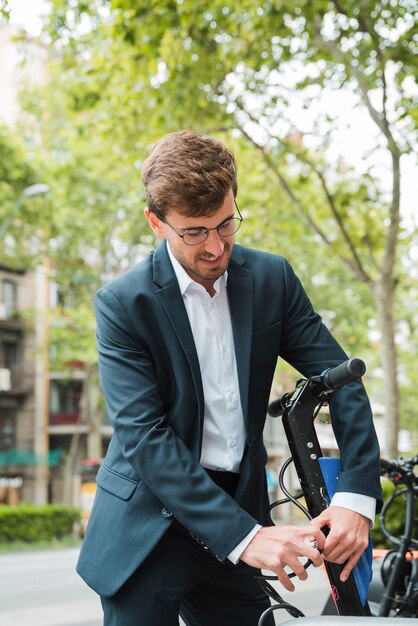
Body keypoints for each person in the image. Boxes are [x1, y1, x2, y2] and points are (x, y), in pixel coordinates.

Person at [77, 130, 382, 626]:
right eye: (195, 232)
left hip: (239, 505)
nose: (217, 247)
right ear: (157, 222)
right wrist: (248, 536)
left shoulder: (272, 279)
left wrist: (355, 496)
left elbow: (340, 378)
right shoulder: (122, 304)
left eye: (226, 223)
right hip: (148, 524)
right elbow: (144, 437)